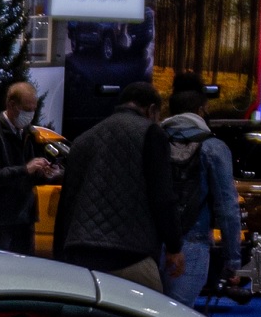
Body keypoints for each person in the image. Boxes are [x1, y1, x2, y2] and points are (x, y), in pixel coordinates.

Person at [54, 81, 182, 290]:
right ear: (151, 110)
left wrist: (61, 255)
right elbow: (162, 196)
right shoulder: (151, 134)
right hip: (131, 255)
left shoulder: (83, 139)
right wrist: (174, 245)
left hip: (82, 255)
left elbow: (67, 203)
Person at [159, 82, 241, 308]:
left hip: (151, 244)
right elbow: (227, 208)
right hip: (192, 244)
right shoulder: (212, 147)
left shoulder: (154, 142)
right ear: (200, 111)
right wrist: (232, 259)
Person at [0, 80, 60, 254]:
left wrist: (46, 174)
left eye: (34, 109)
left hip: (23, 219)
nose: (31, 114)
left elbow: (27, 176)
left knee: (23, 274)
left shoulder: (27, 133)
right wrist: (25, 169)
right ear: (12, 105)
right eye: (27, 109)